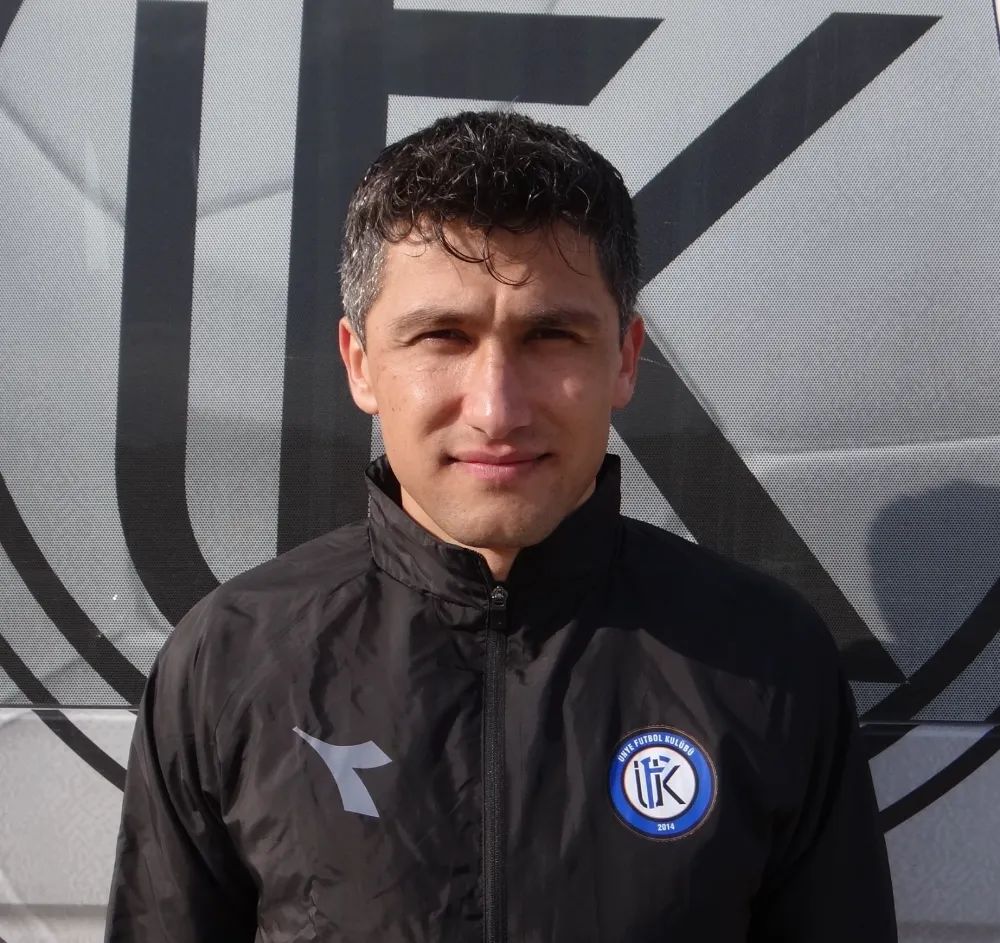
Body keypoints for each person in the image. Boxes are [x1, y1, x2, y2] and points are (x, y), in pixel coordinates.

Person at [104, 110, 896, 942]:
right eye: (442, 336)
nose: (496, 409)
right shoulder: (229, 661)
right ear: (361, 364)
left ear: (625, 359)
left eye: (550, 335)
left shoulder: (770, 662)